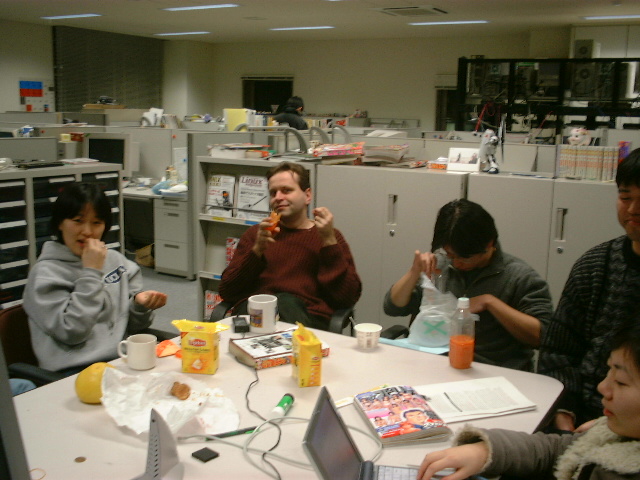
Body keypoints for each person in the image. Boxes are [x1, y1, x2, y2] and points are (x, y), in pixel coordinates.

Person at [416, 320, 640, 480]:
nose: (603, 387)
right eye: (608, 372)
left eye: (621, 382)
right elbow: (559, 449)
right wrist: (486, 451)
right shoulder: (616, 433)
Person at [384, 199, 552, 371]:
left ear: (489, 244)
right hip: (436, 364)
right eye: (450, 255)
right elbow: (393, 307)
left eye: (464, 257)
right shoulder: (440, 265)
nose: (456, 263)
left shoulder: (519, 277)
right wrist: (414, 272)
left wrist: (490, 303)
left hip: (492, 371)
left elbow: (544, 337)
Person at [538, 148, 640, 430]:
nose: (633, 209)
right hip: (578, 417)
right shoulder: (596, 264)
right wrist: (564, 412)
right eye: (625, 197)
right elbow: (557, 352)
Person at [22, 183, 167, 374]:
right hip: (74, 371)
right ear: (59, 223)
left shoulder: (116, 261)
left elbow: (135, 327)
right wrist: (91, 272)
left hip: (120, 359)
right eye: (78, 221)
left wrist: (139, 305)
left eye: (96, 223)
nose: (88, 231)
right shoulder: (45, 274)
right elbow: (72, 332)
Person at [219, 161, 361, 330]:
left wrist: (329, 242)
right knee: (262, 305)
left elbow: (347, 298)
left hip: (306, 320)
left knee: (285, 302)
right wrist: (257, 251)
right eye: (273, 193)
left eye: (286, 190)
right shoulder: (257, 235)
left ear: (307, 196)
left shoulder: (329, 235)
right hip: (257, 318)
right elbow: (227, 291)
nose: (278, 197)